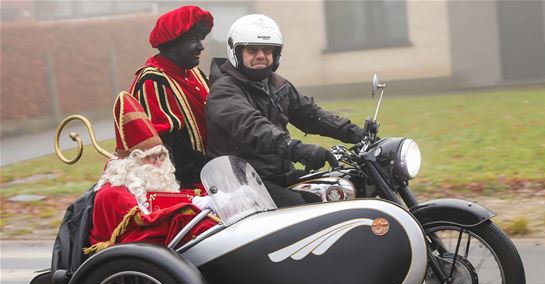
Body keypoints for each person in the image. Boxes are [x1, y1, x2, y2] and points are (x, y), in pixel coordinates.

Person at [205, 14, 364, 207]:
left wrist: (356, 134)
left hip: (277, 175)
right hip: (242, 183)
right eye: (252, 50)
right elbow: (253, 127)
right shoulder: (224, 91)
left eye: (267, 50)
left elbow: (311, 115)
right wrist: (297, 149)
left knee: (338, 189)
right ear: (236, 52)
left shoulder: (275, 83)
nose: (261, 55)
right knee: (302, 212)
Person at [85, 92, 217, 254]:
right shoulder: (112, 191)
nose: (158, 162)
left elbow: (164, 201)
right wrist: (191, 207)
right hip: (129, 258)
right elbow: (143, 223)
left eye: (160, 155)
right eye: (149, 157)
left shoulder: (148, 182)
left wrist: (204, 198)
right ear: (130, 163)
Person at [130, 5, 214, 187]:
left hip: (210, 173)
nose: (201, 46)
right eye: (193, 39)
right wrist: (213, 171)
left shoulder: (194, 73)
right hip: (182, 183)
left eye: (201, 38)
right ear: (172, 43)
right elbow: (170, 148)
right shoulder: (153, 80)